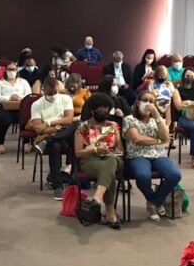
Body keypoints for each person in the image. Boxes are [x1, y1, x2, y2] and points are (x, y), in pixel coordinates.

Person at [123, 91, 180, 221]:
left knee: (174, 174)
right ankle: (154, 201)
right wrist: (158, 141)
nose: (148, 104)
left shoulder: (157, 120)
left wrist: (157, 115)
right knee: (143, 176)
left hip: (158, 154)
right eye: (145, 100)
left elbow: (166, 136)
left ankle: (154, 203)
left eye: (151, 101)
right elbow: (137, 139)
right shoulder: (129, 119)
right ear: (138, 103)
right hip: (137, 155)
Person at [73, 93, 123, 229]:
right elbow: (78, 153)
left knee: (111, 161)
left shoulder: (113, 125)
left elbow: (120, 149)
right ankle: (110, 213)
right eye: (99, 107)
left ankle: (97, 198)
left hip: (113, 157)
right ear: (92, 109)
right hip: (90, 160)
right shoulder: (82, 127)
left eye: (106, 107)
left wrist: (112, 151)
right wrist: (95, 149)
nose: (103, 110)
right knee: (109, 173)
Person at [28, 77, 75, 200]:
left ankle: (47, 142)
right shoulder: (37, 104)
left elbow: (69, 120)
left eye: (55, 92)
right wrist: (58, 127)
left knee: (75, 126)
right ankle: (57, 186)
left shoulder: (66, 99)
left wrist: (48, 123)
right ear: (43, 90)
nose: (53, 95)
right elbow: (39, 129)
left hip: (65, 135)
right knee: (56, 146)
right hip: (51, 135)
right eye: (50, 93)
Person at [0, 61, 31, 154]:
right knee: (4, 119)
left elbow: (29, 94)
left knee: (26, 117)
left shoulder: (23, 82)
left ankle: (26, 143)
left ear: (17, 70)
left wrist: (19, 97)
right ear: (6, 71)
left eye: (13, 69)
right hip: (4, 106)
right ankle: (0, 144)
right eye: (9, 69)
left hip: (20, 106)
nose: (11, 71)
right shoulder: (0, 83)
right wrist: (9, 97)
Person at [173, 68, 194, 170]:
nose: (189, 78)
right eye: (187, 76)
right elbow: (178, 106)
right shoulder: (177, 91)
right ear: (183, 76)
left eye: (192, 76)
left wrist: (189, 102)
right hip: (184, 117)